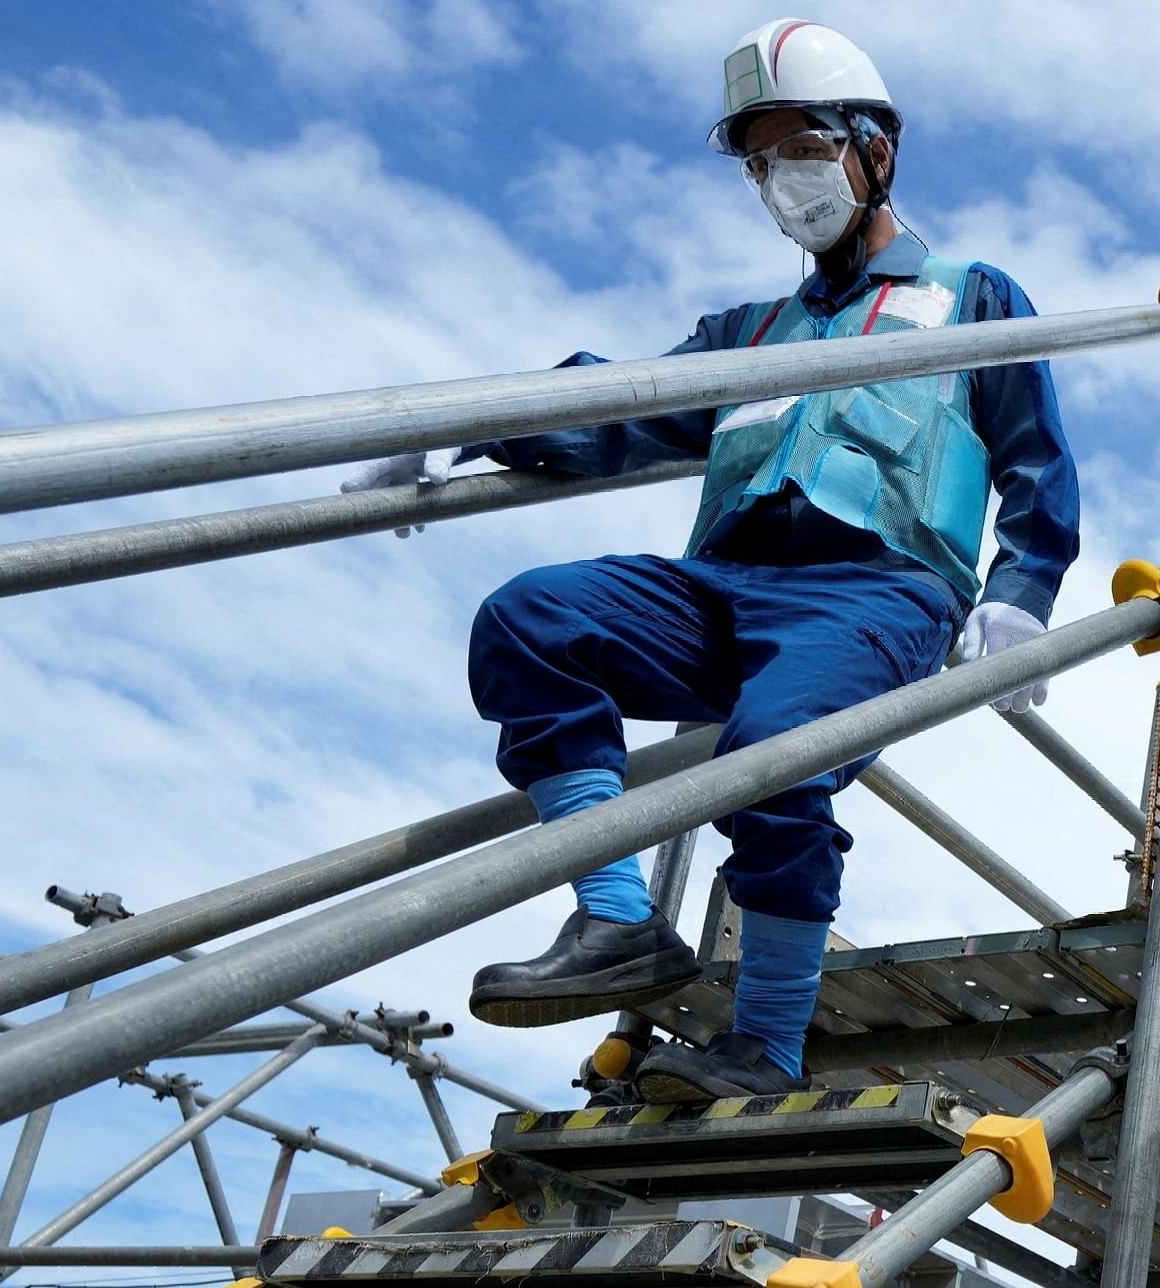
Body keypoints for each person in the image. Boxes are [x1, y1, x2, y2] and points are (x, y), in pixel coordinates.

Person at [344, 18, 1077, 1100]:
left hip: (876, 593)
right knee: (532, 617)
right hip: (723, 587)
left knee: (773, 753)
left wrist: (1023, 593)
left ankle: (765, 1048)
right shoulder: (748, 330)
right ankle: (615, 922)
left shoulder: (969, 297)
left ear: (876, 147)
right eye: (760, 158)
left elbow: (1034, 460)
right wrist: (460, 422)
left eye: (806, 147)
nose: (785, 178)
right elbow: (614, 412)